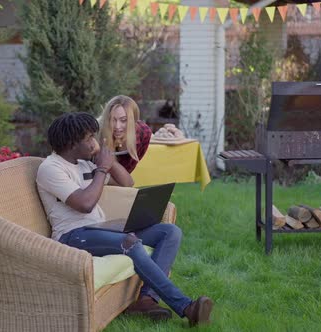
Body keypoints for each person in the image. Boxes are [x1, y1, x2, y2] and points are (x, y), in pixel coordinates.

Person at [36, 112, 213, 326]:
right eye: (89, 138)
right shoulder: (51, 168)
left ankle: (146, 300)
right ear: (72, 143)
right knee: (131, 244)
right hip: (72, 236)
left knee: (169, 232)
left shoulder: (84, 162)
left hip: (99, 229)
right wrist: (102, 167)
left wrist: (106, 161)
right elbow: (85, 204)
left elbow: (126, 182)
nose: (95, 142)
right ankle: (187, 307)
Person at [98, 95, 152, 173]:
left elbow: (128, 172)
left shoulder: (144, 133)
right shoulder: (97, 132)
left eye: (123, 120)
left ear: (134, 120)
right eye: (112, 120)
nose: (117, 126)